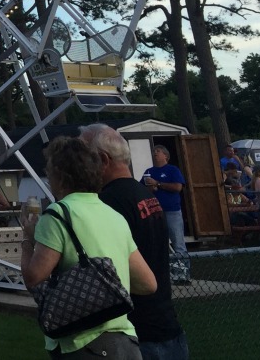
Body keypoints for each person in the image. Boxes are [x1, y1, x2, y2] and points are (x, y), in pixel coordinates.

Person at [21, 136, 156, 359]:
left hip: (82, 343)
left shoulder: (57, 215)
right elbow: (148, 283)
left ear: (60, 175)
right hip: (125, 341)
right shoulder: (114, 215)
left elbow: (33, 278)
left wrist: (27, 239)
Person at [82, 124, 188, 360]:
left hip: (137, 335)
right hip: (166, 325)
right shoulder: (144, 194)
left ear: (102, 159)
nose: (79, 165)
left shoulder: (108, 202)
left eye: (82, 157)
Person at [141, 145, 189, 282]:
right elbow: (142, 190)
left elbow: (178, 187)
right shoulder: (148, 171)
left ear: (165, 156)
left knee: (177, 242)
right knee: (158, 243)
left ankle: (183, 274)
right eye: (154, 151)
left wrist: (159, 184)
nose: (155, 153)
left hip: (172, 212)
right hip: (154, 213)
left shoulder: (172, 170)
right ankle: (163, 275)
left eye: (158, 151)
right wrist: (150, 188)